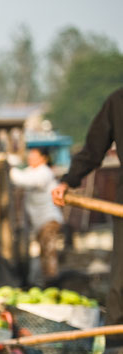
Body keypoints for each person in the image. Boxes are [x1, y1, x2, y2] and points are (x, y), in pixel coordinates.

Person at [53, 87, 123, 326]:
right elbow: (93, 150)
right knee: (120, 283)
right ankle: (117, 348)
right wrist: (68, 181)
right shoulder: (117, 101)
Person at [10, 147, 63, 280]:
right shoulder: (31, 171)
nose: (30, 158)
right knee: (42, 254)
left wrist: (10, 167)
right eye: (30, 156)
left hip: (48, 220)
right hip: (39, 222)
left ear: (44, 158)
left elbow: (22, 179)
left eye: (34, 156)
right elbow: (21, 176)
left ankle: (52, 282)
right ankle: (43, 281)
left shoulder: (44, 172)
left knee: (48, 253)